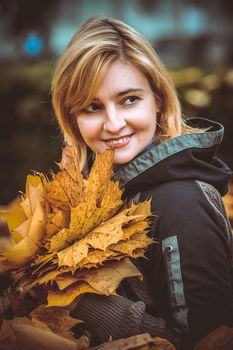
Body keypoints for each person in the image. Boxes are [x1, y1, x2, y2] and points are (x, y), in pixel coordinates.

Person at [51, 15, 233, 349]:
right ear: (73, 120)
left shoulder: (182, 202)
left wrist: (83, 302)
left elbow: (207, 340)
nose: (113, 123)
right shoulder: (103, 192)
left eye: (129, 100)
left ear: (158, 100)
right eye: (92, 107)